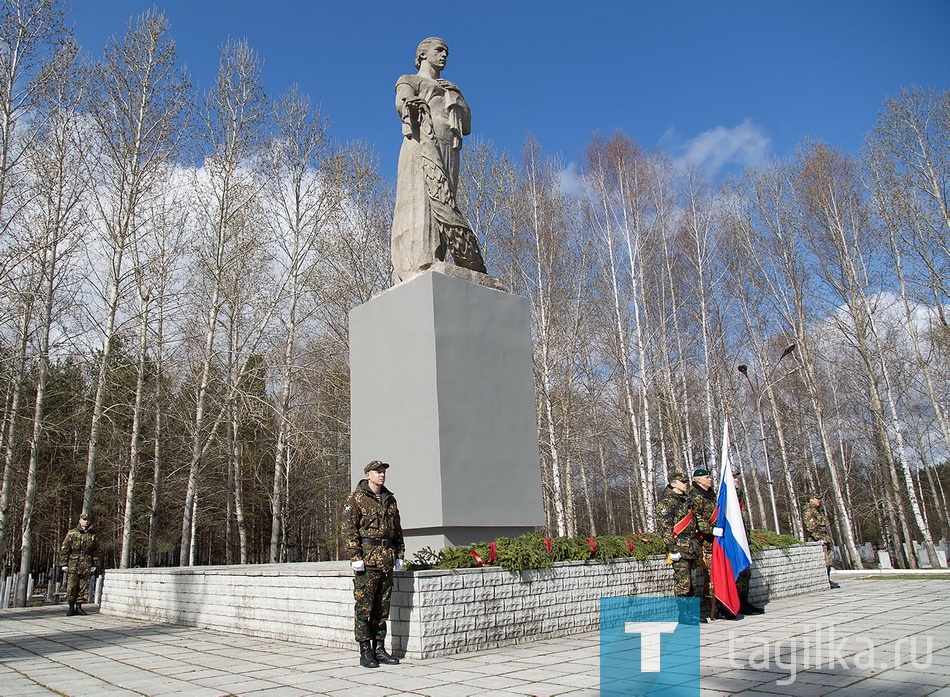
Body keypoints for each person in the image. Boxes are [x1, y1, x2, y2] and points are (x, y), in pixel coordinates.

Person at [391, 37, 487, 283]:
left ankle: (440, 255)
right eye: (439, 50)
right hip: (420, 143)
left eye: (447, 51)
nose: (444, 55)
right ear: (423, 54)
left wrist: (455, 96)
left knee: (446, 200)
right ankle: (418, 260)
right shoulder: (409, 80)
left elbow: (466, 125)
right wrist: (411, 104)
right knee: (421, 199)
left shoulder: (451, 87)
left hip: (449, 148)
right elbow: (402, 99)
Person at [342, 460, 406, 668]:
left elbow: (397, 529)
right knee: (364, 608)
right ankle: (365, 650)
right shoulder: (357, 499)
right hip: (367, 561)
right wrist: (355, 557)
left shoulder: (389, 499)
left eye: (383, 472)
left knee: (382, 608)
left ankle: (379, 648)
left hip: (386, 560)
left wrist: (399, 553)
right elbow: (349, 529)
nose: (381, 475)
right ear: (367, 474)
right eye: (377, 472)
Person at [688, 467, 734, 620]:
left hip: (718, 542)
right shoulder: (695, 496)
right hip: (706, 541)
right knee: (711, 575)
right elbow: (697, 518)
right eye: (707, 477)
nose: (710, 479)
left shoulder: (712, 494)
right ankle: (713, 606)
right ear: (698, 480)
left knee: (721, 574)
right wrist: (712, 530)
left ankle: (722, 605)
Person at [656, 472, 704, 614]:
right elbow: (665, 528)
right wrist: (672, 549)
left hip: (692, 545)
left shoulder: (687, 501)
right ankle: (684, 614)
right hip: (679, 546)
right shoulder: (667, 502)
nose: (685, 484)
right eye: (681, 482)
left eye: (686, 481)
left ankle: (693, 612)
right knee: (683, 583)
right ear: (673, 483)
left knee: (693, 582)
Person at [732, 468, 764, 615]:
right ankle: (736, 603)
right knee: (737, 574)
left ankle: (744, 601)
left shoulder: (738, 495)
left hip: (743, 539)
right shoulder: (725, 496)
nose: (736, 480)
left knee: (746, 573)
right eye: (733, 477)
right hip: (733, 542)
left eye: (736, 477)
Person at [59, 512, 98, 616]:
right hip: (74, 563)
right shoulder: (72, 533)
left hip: (86, 563)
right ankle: (71, 607)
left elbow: (95, 550)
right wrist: (64, 563)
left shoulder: (92, 534)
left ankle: (79, 607)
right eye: (84, 520)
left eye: (87, 520)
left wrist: (94, 564)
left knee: (83, 587)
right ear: (80, 521)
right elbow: (65, 548)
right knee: (72, 587)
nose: (86, 522)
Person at [803, 493, 840, 588]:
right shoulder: (809, 511)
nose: (818, 500)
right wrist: (819, 538)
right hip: (818, 541)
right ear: (811, 500)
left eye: (819, 499)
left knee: (828, 562)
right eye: (816, 498)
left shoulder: (819, 511)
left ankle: (827, 580)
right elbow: (811, 527)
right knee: (823, 562)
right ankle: (822, 581)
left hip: (825, 539)